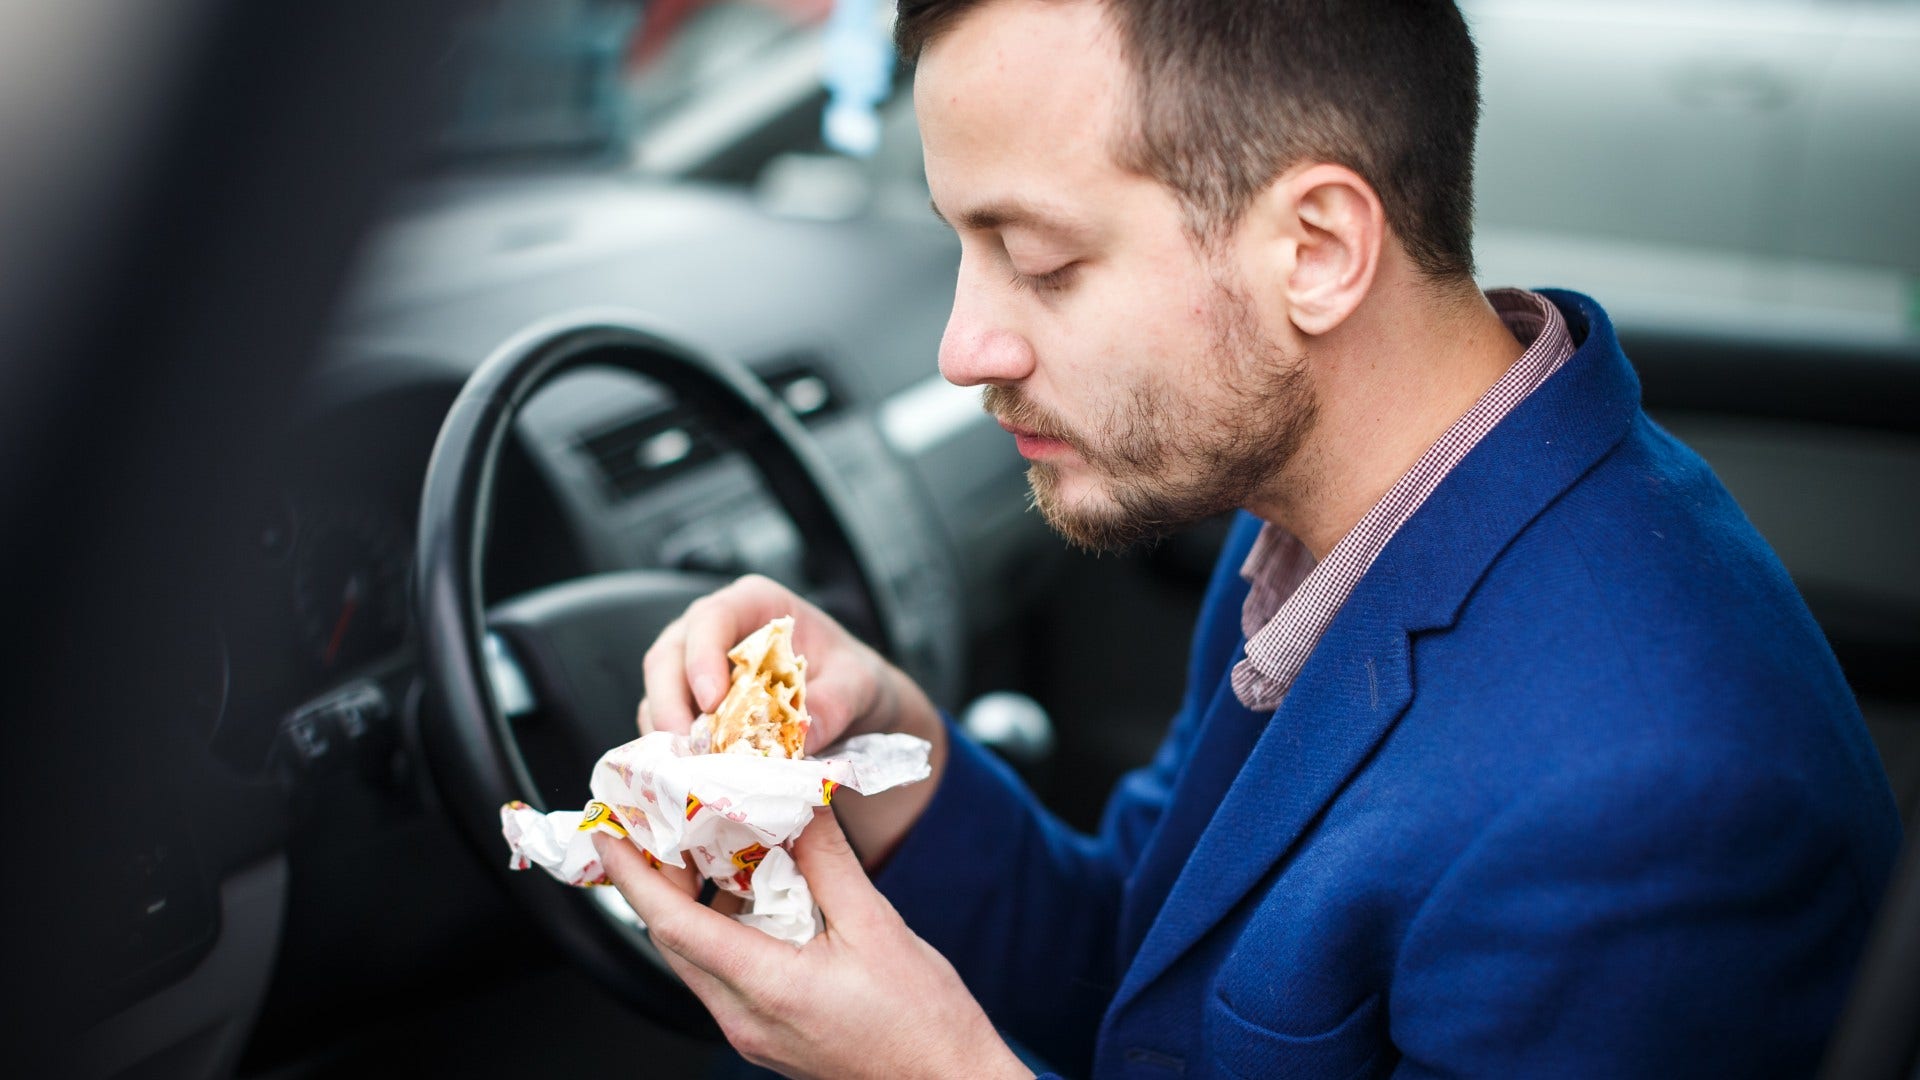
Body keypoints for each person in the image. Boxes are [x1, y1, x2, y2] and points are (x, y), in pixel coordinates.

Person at [592, 1, 1904, 1075]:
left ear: (1318, 250)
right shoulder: (1341, 502)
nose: (962, 349)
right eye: (961, 248)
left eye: (1040, 261)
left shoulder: (1651, 812)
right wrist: (897, 765)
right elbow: (1156, 969)